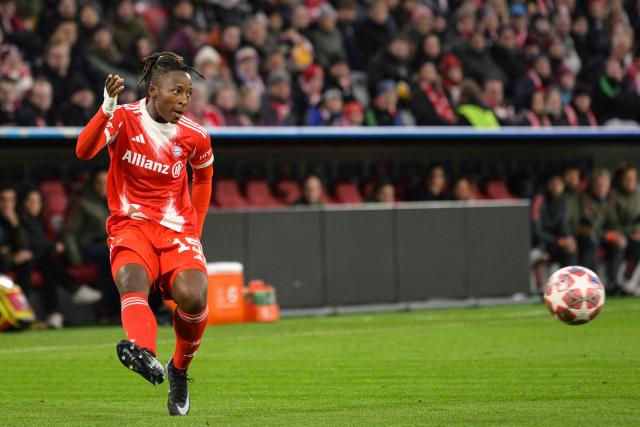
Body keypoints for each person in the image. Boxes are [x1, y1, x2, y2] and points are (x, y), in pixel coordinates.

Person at [75, 51, 213, 416]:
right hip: (130, 225)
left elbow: (204, 178)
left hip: (176, 230)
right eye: (176, 92)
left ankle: (178, 369)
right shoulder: (122, 118)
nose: (183, 101)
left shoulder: (195, 136)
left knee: (194, 298)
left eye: (187, 94)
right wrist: (105, 108)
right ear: (153, 90)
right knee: (131, 280)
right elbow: (84, 150)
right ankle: (146, 354)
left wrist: (195, 230)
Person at [18, 187, 102, 328]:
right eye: (31, 201)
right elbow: (30, 244)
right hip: (25, 262)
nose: (34, 205)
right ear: (23, 203)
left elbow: (39, 244)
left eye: (37, 201)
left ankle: (55, 313)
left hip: (39, 260)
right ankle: (74, 289)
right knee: (48, 259)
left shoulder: (38, 221)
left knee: (48, 265)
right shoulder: (20, 221)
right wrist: (53, 245)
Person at [603, 164, 640, 295]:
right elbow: (612, 222)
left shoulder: (638, 194)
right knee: (619, 245)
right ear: (620, 180)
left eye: (633, 178)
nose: (631, 181)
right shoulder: (613, 196)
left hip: (634, 236)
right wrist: (620, 235)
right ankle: (613, 284)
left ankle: (631, 283)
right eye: (627, 178)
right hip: (614, 235)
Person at [531, 173, 578, 268]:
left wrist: (568, 238)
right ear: (548, 184)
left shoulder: (562, 201)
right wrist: (558, 241)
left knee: (571, 251)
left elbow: (563, 225)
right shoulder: (538, 200)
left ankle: (569, 282)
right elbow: (536, 231)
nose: (557, 186)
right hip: (539, 244)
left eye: (560, 183)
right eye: (553, 183)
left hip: (555, 243)